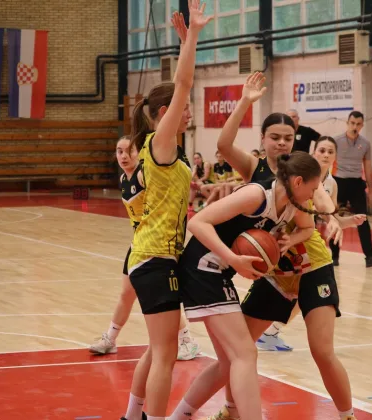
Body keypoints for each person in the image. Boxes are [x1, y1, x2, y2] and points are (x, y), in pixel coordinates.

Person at [168, 73, 363, 420]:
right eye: (275, 137)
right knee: (238, 351)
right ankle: (230, 410)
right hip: (274, 268)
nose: (282, 143)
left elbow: (321, 202)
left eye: (288, 137)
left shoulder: (303, 173)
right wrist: (245, 101)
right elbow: (224, 144)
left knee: (320, 351)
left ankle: (347, 414)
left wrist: (332, 217)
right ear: (263, 139)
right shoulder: (256, 172)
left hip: (311, 263)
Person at [173, 152, 319, 420]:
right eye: (313, 188)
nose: (314, 194)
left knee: (228, 363)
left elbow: (308, 228)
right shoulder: (257, 195)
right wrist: (232, 259)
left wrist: (288, 240)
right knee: (245, 354)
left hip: (219, 273)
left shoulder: (292, 205)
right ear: (298, 182)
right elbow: (197, 222)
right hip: (202, 268)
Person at [120, 4, 212, 420]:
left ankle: (131, 415)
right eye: (183, 107)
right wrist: (191, 38)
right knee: (166, 355)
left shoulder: (164, 150)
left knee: (158, 349)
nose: (189, 111)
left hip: (154, 256)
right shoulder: (161, 141)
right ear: (165, 114)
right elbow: (183, 83)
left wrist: (185, 44)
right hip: (155, 256)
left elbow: (181, 85)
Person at [89, 137, 200, 361]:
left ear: (140, 153)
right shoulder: (124, 178)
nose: (123, 156)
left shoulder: (144, 174)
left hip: (159, 244)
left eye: (129, 151)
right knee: (126, 294)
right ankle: (110, 339)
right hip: (139, 243)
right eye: (119, 151)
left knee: (164, 299)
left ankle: (187, 340)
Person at [331, 111, 372, 268]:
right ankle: (334, 257)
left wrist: (371, 189)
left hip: (356, 183)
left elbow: (368, 166)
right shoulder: (336, 141)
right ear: (347, 123)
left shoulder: (365, 144)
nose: (355, 126)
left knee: (363, 220)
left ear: (362, 125)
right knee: (335, 218)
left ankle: (370, 257)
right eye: (352, 123)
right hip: (339, 182)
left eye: (358, 124)